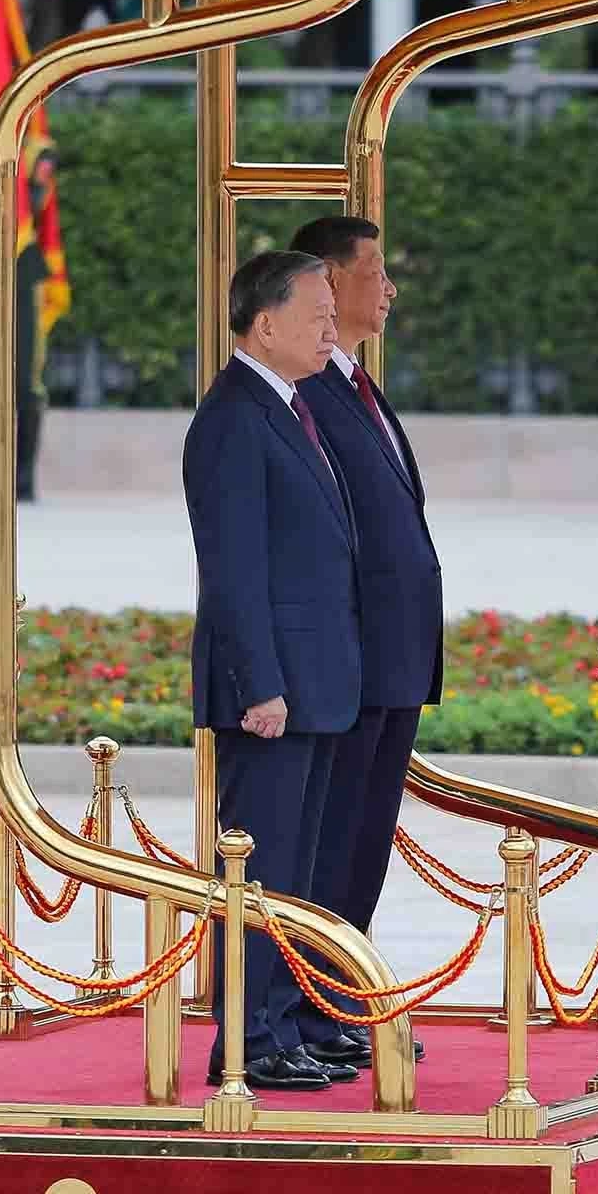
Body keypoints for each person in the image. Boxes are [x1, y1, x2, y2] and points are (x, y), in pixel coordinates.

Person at [182, 247, 366, 1090]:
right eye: (317, 314)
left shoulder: (292, 407)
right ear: (264, 323)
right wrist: (259, 682)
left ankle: (284, 1022)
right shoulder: (230, 419)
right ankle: (246, 1040)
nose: (332, 327)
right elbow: (233, 569)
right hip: (273, 692)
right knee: (257, 874)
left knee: (296, 870)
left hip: (318, 683)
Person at [289, 215, 441, 1073]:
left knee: (360, 844)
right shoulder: (304, 392)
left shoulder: (352, 383)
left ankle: (339, 1000)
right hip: (352, 660)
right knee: (330, 844)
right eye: (372, 271)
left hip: (391, 655)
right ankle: (314, 1011)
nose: (387, 288)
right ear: (325, 282)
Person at [12, 146, 60, 504]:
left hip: (22, 273)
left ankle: (23, 477)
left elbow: (36, 202)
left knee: (24, 379)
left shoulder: (37, 148)